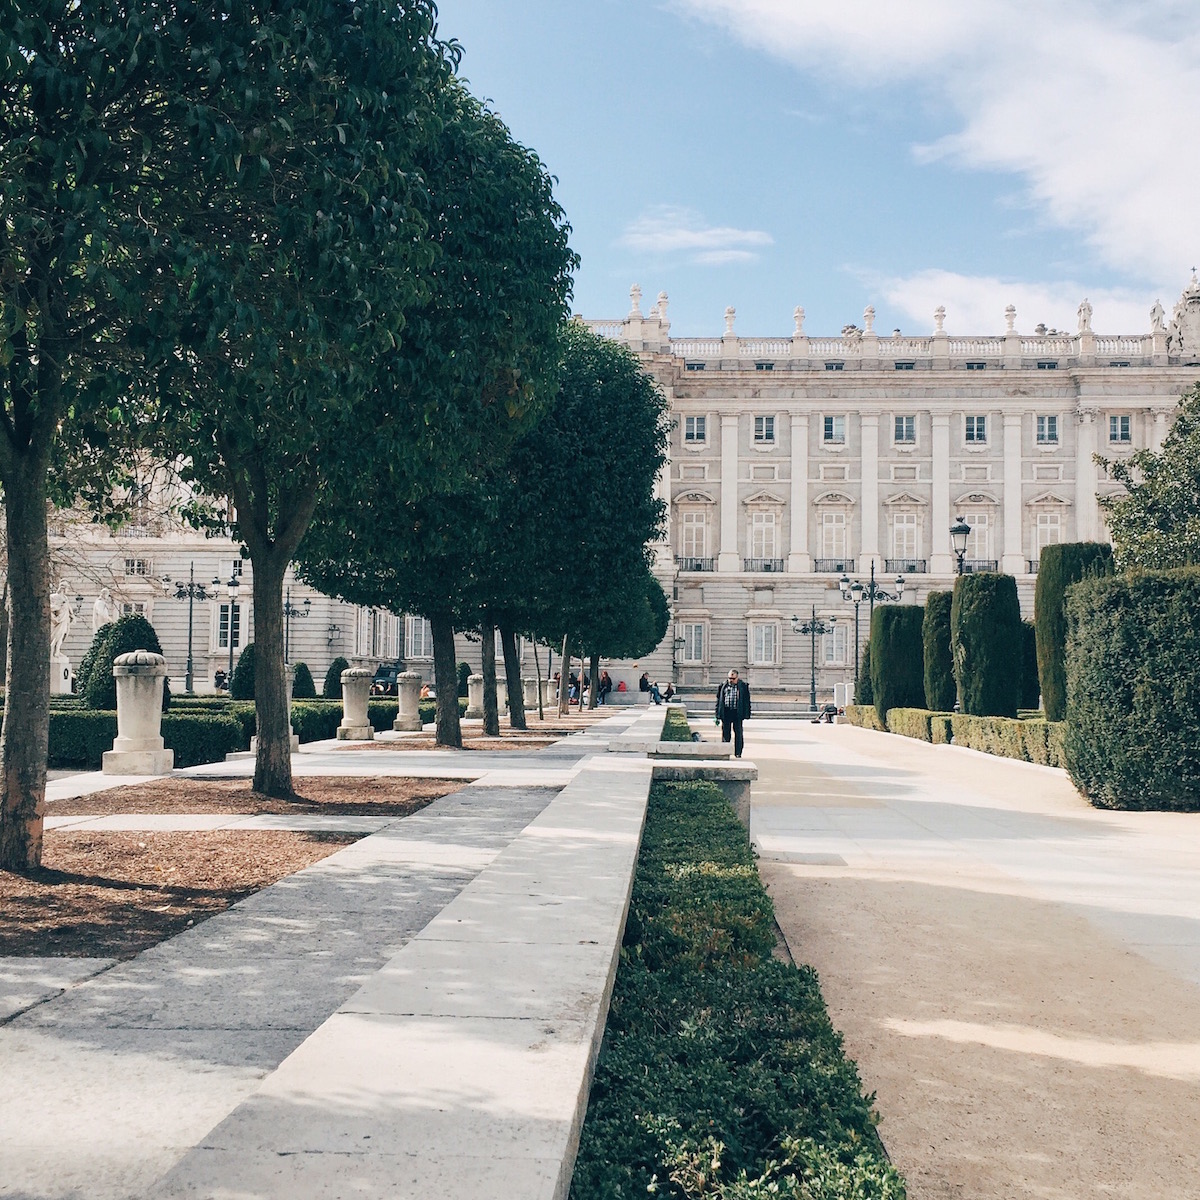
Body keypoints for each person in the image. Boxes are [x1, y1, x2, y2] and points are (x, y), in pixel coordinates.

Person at [714, 668, 752, 758]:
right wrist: (717, 714)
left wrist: (747, 714)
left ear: (737, 677)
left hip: (737, 712)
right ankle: (725, 751)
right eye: (729, 678)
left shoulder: (743, 686)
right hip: (726, 712)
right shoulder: (723, 685)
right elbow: (719, 700)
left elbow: (747, 701)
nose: (731, 680)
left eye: (733, 678)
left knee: (738, 733)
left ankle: (738, 752)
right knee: (725, 733)